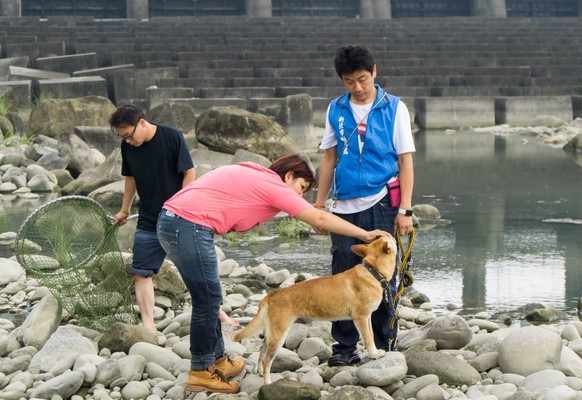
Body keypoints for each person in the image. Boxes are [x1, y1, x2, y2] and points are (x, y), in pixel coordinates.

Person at [156, 154, 391, 394]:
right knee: (207, 299)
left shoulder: (258, 176)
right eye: (301, 188)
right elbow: (318, 216)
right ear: (289, 176)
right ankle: (200, 371)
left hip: (179, 222)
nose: (298, 197)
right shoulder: (272, 185)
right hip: (186, 225)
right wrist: (364, 234)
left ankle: (217, 361)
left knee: (211, 295)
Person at [313, 45, 416, 367]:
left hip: (382, 201)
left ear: (374, 72)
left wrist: (406, 211)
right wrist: (318, 205)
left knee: (383, 277)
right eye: (348, 82)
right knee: (342, 276)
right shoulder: (336, 109)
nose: (357, 88)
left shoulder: (394, 108)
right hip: (344, 205)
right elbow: (329, 157)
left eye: (361, 79)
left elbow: (406, 160)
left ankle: (384, 345)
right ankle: (345, 348)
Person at [110, 104, 195, 332]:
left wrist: (181, 207)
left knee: (195, 270)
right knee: (141, 272)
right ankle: (148, 326)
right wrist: (124, 210)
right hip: (148, 218)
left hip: (179, 216)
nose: (128, 141)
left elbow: (189, 172)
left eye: (129, 135)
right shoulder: (127, 146)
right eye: (123, 137)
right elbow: (130, 179)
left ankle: (218, 314)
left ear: (142, 122)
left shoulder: (172, 137)